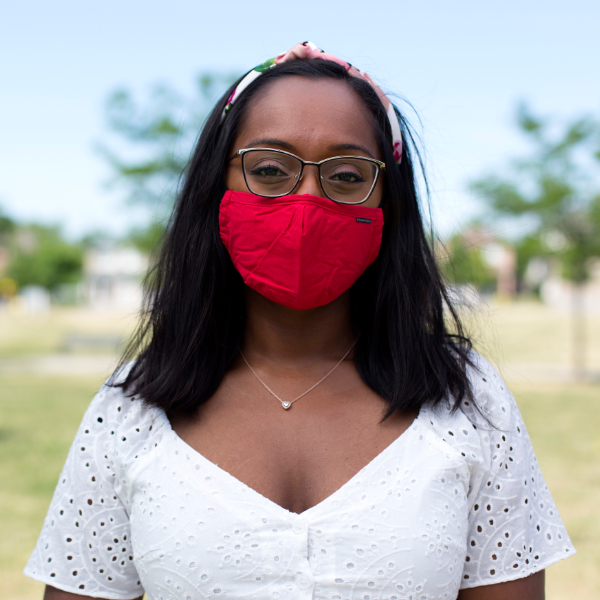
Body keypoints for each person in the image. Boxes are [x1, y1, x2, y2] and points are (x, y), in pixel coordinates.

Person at [26, 42, 574, 600]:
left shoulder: (467, 398)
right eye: (268, 169)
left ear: (389, 202)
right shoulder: (131, 408)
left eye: (345, 175)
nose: (307, 201)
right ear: (216, 187)